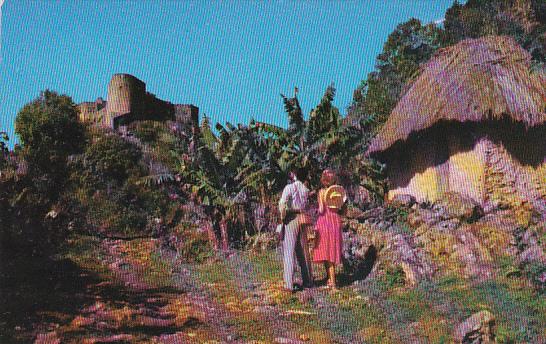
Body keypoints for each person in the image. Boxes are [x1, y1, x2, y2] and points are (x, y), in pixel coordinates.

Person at [278, 167, 314, 292]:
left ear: (295, 175)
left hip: (292, 218)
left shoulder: (290, 188)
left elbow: (282, 204)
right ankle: (308, 280)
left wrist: (282, 219)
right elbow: (307, 205)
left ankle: (288, 284)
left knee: (289, 252)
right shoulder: (305, 190)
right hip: (302, 218)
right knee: (302, 252)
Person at [312, 169, 345, 289]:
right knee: (332, 250)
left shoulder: (321, 192)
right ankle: (331, 280)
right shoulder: (338, 192)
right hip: (335, 221)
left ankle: (333, 283)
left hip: (325, 221)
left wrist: (316, 211)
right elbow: (341, 208)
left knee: (326, 251)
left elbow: (321, 209)